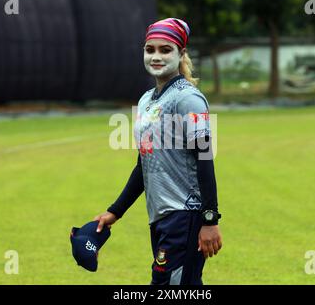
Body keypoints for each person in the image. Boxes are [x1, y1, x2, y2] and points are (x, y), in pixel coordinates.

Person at [93, 18, 222, 285]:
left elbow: (205, 157)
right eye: (150, 49)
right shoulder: (146, 100)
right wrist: (115, 211)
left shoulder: (189, 99)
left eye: (165, 50)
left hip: (186, 216)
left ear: (181, 54)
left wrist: (209, 219)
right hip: (161, 217)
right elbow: (144, 164)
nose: (156, 56)